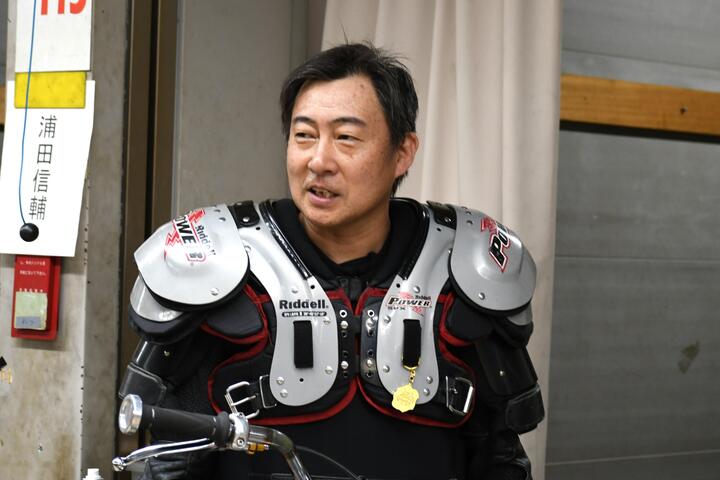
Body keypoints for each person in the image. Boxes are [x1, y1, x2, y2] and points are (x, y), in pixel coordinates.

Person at [120, 43, 544, 480]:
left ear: (403, 152)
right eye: (304, 135)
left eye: (346, 138)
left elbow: (500, 459)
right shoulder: (218, 268)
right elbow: (170, 461)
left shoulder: (463, 269)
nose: (319, 161)